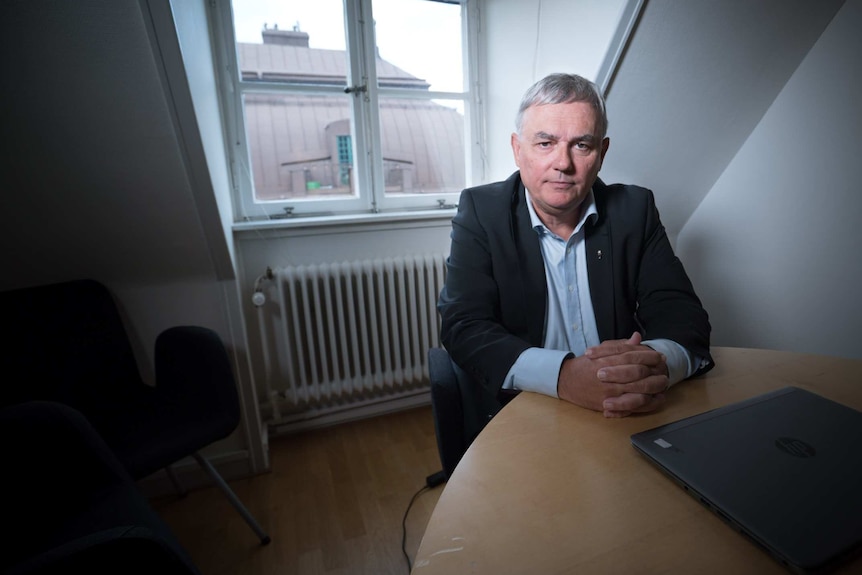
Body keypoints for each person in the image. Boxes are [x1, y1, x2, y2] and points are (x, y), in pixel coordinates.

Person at [438, 72, 713, 423]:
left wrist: (649, 367)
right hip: (521, 411)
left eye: (581, 145)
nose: (563, 163)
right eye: (544, 143)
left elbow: (682, 314)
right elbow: (464, 324)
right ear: (517, 150)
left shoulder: (634, 210)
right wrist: (564, 377)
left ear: (602, 152)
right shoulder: (482, 212)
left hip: (625, 408)